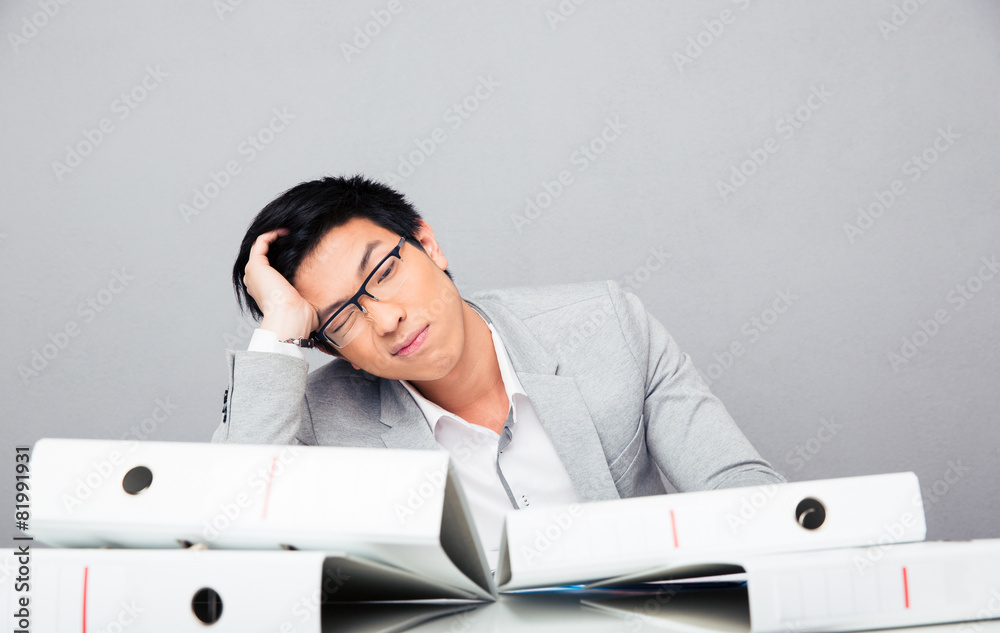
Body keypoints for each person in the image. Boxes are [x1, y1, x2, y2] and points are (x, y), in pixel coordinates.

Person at [212, 175, 785, 568]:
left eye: (383, 272)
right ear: (334, 350)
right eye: (341, 317)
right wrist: (281, 330)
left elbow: (746, 496)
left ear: (428, 244)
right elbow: (229, 547)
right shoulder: (310, 419)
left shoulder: (605, 326)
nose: (386, 320)